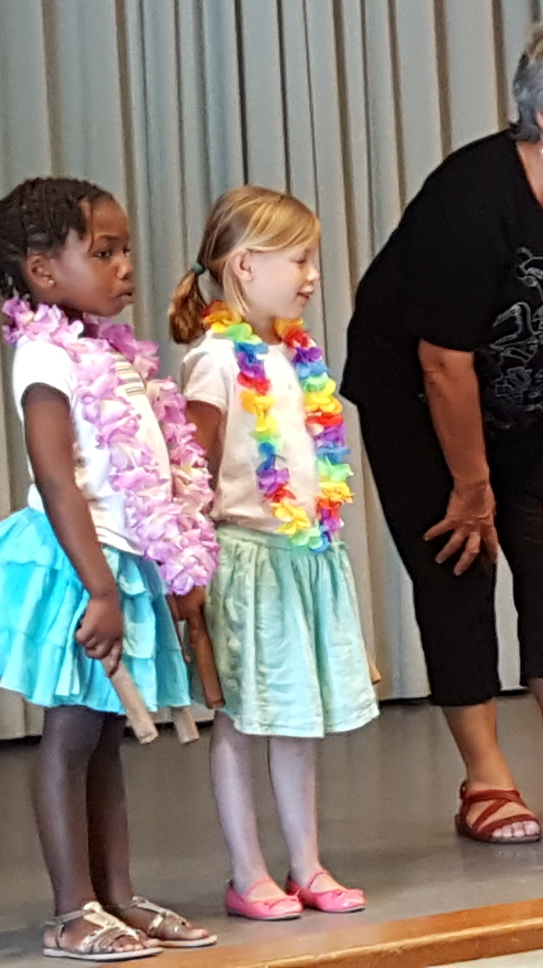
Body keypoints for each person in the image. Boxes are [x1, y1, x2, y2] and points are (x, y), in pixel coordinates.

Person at [341, 19, 543, 844]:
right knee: (459, 563)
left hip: (529, 399)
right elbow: (442, 361)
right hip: (421, 402)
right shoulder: (471, 198)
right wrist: (472, 486)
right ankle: (485, 779)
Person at [0, 178, 216, 960]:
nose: (124, 266)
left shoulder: (108, 350)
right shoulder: (45, 354)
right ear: (43, 272)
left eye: (125, 249)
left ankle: (116, 895)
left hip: (119, 559)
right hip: (78, 564)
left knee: (105, 738)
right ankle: (71, 911)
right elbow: (56, 478)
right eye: (104, 252)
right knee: (72, 736)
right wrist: (100, 589)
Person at [169, 187, 379, 919]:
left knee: (296, 718)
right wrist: (188, 567)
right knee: (240, 718)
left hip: (304, 555)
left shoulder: (296, 355)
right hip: (244, 559)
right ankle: (247, 871)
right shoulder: (215, 360)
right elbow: (191, 470)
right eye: (299, 260)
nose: (312, 275)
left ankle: (307, 864)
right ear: (245, 266)